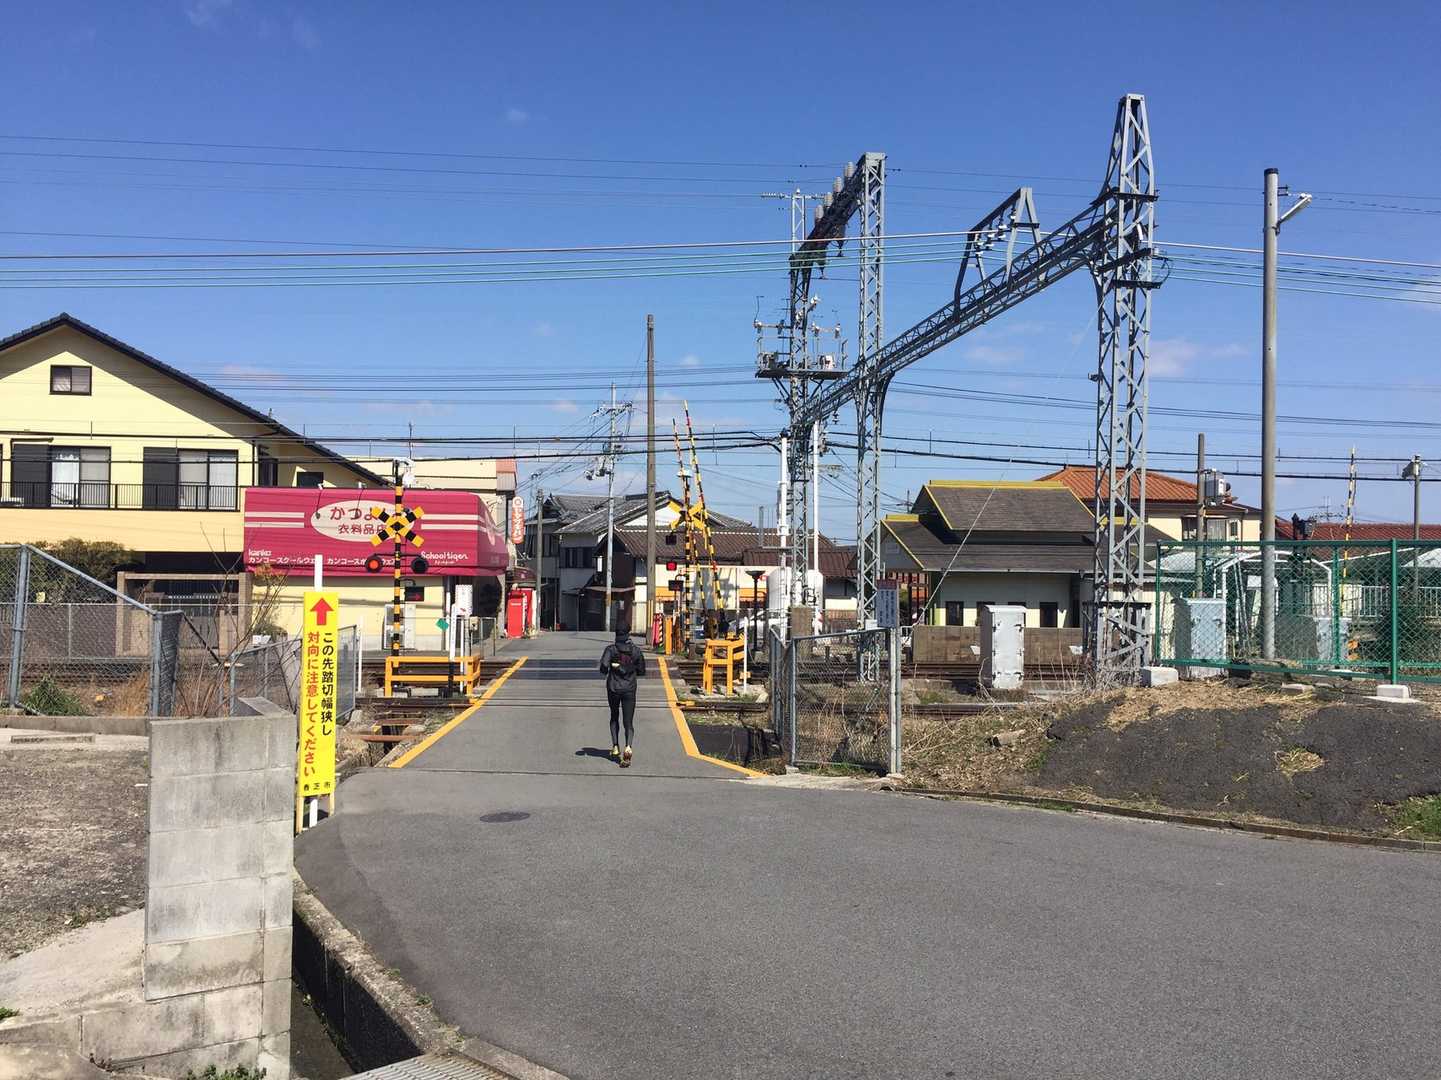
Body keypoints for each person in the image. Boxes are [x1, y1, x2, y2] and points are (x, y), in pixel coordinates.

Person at [598, 628, 646, 767]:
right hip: (629, 689)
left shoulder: (611, 650)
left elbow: (603, 668)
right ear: (628, 634)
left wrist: (614, 666)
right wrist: (629, 669)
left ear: (616, 635)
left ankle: (615, 746)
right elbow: (641, 671)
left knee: (614, 716)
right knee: (628, 722)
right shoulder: (636, 651)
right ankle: (628, 747)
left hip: (613, 688)